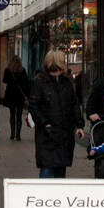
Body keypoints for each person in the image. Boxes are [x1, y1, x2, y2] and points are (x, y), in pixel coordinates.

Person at [28, 50, 84, 179]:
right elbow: (33, 105)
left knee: (60, 170)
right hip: (47, 135)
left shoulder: (66, 82)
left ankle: (57, 198)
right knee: (47, 169)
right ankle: (45, 198)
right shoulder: (40, 82)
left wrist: (79, 124)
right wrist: (45, 123)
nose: (66, 63)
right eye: (64, 60)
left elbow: (74, 104)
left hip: (64, 133)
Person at [2, 55, 30, 140]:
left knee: (12, 115)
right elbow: (26, 84)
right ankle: (18, 135)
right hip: (19, 96)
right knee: (19, 115)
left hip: (11, 95)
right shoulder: (22, 70)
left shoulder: (8, 70)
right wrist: (27, 95)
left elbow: (4, 80)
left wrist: (11, 81)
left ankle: (12, 134)